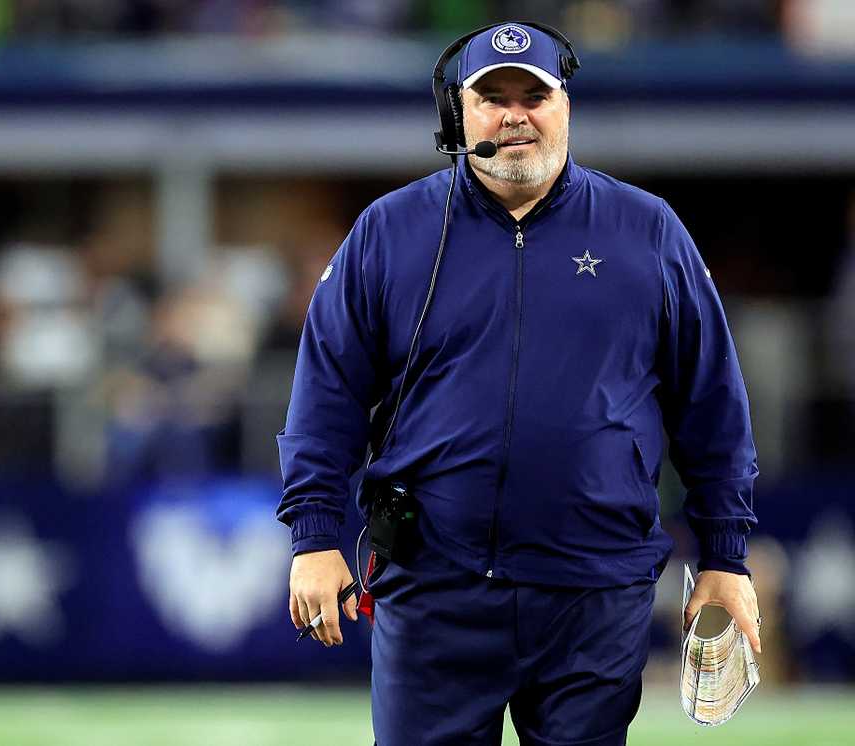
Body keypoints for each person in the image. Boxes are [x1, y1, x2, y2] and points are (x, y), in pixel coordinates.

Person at [276, 21, 762, 746]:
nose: (514, 114)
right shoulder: (390, 232)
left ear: (565, 106)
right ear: (457, 116)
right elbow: (326, 395)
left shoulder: (648, 231)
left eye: (533, 94)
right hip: (435, 589)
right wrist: (314, 535)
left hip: (594, 594)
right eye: (491, 97)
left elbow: (712, 406)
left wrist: (725, 557)